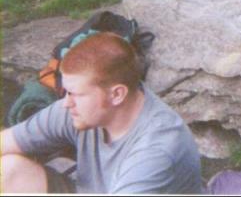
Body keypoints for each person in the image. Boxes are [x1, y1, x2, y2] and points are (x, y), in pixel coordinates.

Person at [1, 32, 204, 194]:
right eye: (66, 92)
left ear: (116, 94)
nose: (65, 103)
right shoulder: (78, 110)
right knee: (8, 170)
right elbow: (6, 142)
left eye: (75, 94)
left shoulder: (157, 148)